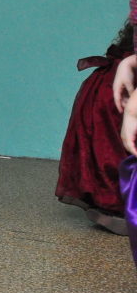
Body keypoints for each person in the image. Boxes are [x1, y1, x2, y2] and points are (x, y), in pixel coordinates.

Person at [56, 22, 132, 235]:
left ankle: (111, 204)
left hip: (106, 88)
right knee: (115, 148)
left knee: (107, 148)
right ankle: (120, 206)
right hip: (116, 93)